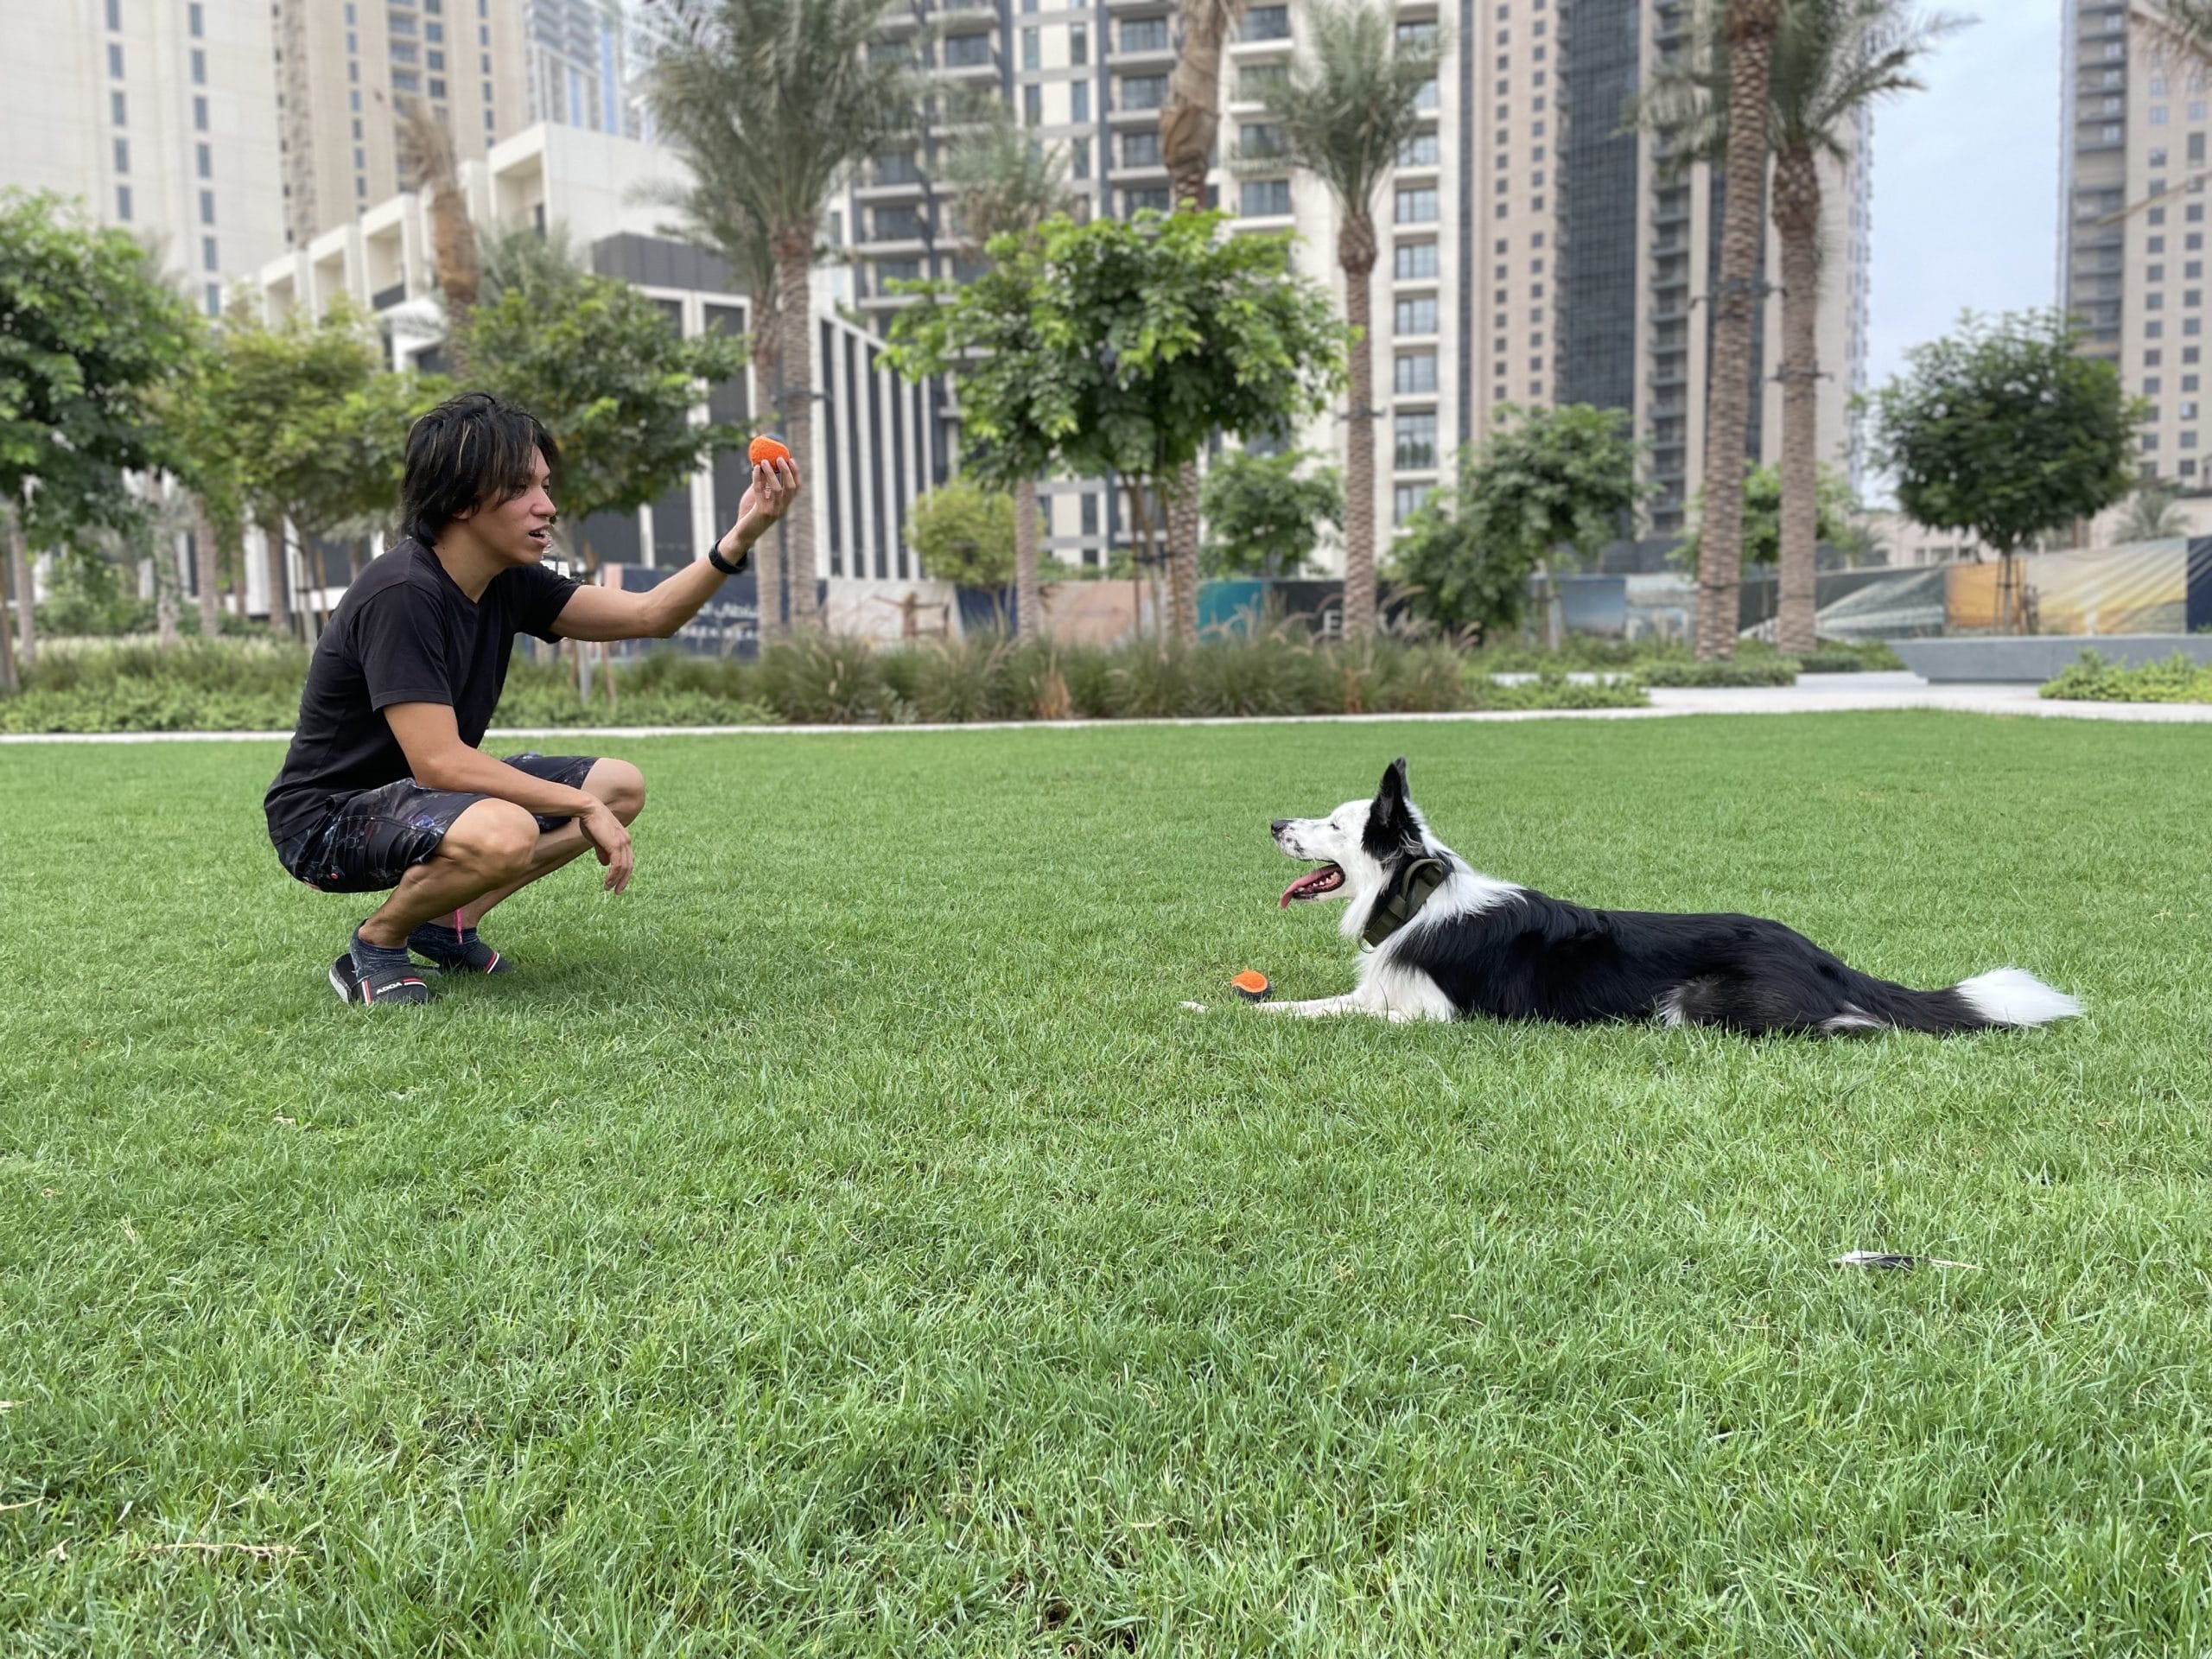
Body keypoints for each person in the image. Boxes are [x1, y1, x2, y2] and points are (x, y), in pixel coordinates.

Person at [263, 391, 800, 1006]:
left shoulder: (506, 580)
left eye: (544, 485)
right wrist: (578, 806)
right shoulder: (403, 592)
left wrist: (742, 533)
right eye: (522, 489)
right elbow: (439, 762)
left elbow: (653, 614)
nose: (547, 506)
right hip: (327, 819)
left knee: (618, 787)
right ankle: (377, 944)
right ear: (463, 498)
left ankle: (446, 924)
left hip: (423, 800)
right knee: (507, 830)